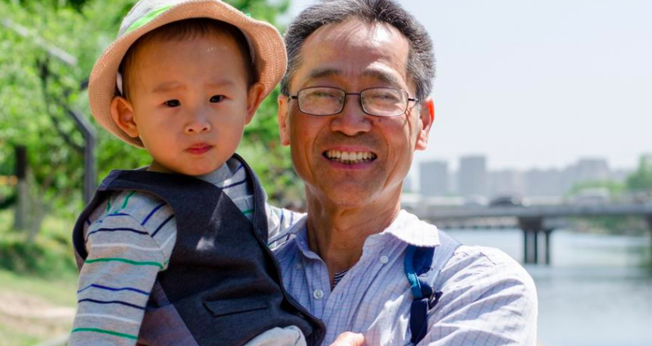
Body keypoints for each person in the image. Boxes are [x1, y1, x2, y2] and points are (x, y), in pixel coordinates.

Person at [272, 0, 539, 345]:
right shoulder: (225, 258)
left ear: (423, 123)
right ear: (283, 119)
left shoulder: (478, 288)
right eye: (322, 94)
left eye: (383, 96)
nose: (350, 124)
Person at [69, 0, 324, 345]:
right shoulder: (135, 217)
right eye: (172, 103)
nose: (198, 124)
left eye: (217, 98)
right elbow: (99, 333)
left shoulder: (238, 181)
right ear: (129, 117)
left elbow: (275, 227)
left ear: (249, 103)